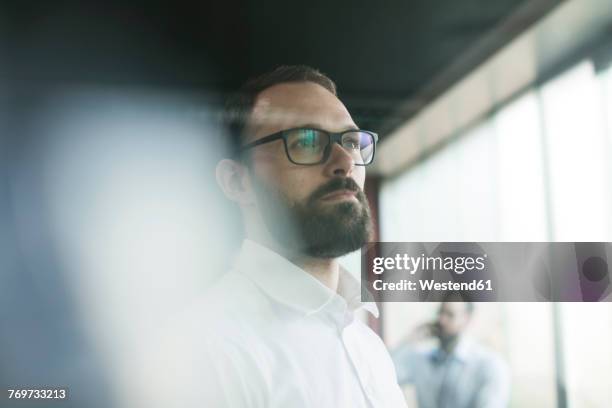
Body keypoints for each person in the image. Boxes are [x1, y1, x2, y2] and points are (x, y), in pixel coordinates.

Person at [131, 65, 407, 408]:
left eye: (351, 141)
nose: (344, 161)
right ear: (236, 181)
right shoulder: (203, 351)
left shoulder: (367, 345)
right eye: (306, 141)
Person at [391, 295, 510, 408]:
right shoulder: (421, 360)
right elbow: (384, 374)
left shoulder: (489, 365)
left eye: (450, 315)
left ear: (467, 319)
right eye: (440, 312)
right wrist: (409, 339)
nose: (441, 320)